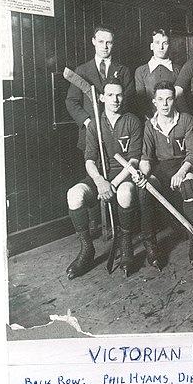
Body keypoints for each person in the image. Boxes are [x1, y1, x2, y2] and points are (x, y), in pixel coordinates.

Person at [65, 78, 142, 280]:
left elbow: (134, 160)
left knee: (125, 193)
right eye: (110, 95)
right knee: (74, 195)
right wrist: (100, 182)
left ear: (123, 97)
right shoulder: (95, 125)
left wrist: (113, 184)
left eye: (118, 95)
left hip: (123, 175)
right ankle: (87, 250)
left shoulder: (132, 120)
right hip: (101, 175)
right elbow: (89, 161)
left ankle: (126, 244)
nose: (115, 99)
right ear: (102, 98)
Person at [66, 25, 135, 237]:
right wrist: (88, 123)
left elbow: (129, 100)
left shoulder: (122, 71)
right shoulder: (82, 71)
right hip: (91, 135)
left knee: (118, 179)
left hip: (118, 136)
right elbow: (72, 101)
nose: (105, 46)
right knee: (95, 176)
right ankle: (97, 222)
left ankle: (119, 226)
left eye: (109, 42)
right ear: (93, 42)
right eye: (101, 41)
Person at [135, 81, 193, 276]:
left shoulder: (186, 119)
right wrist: (144, 174)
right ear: (154, 102)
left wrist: (182, 172)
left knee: (190, 187)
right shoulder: (150, 125)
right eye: (160, 100)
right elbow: (146, 157)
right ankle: (151, 245)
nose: (165, 104)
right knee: (145, 189)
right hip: (161, 169)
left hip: (183, 165)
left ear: (174, 100)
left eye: (169, 99)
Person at [134, 29, 181, 119]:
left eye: (165, 43)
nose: (161, 47)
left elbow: (180, 100)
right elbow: (141, 101)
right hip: (149, 120)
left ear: (169, 46)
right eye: (157, 43)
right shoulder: (141, 71)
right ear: (151, 46)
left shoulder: (178, 70)